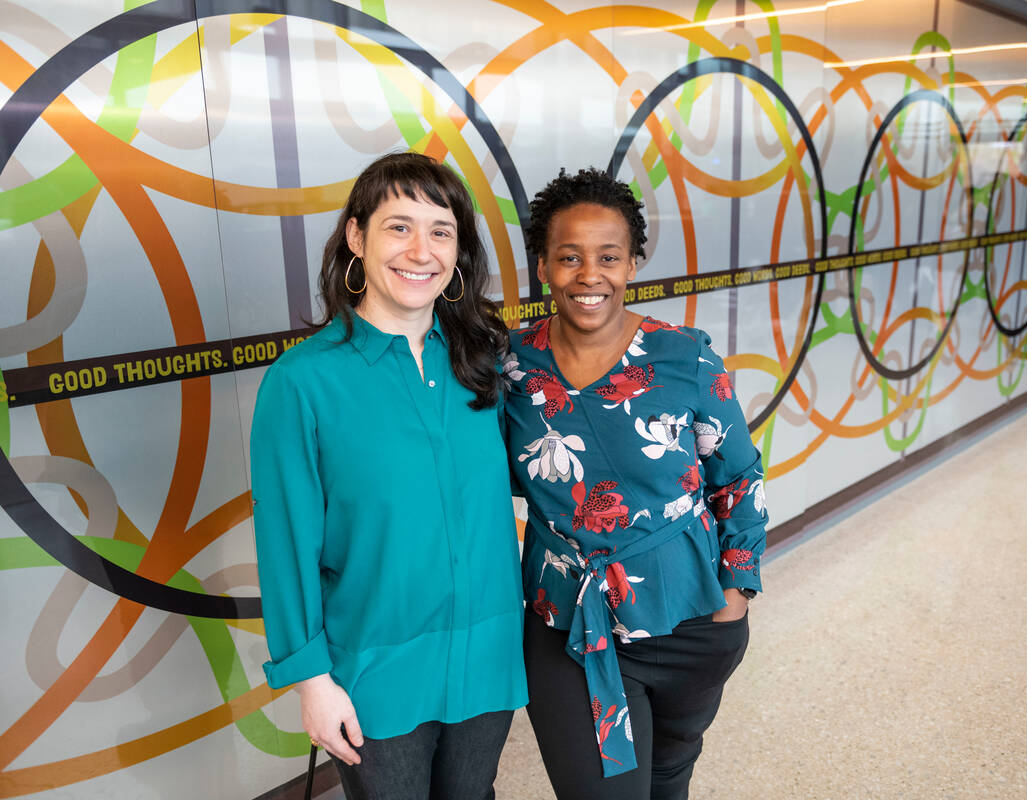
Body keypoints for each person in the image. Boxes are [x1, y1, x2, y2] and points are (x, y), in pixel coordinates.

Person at [250, 152, 526, 800]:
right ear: (356, 236)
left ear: (458, 252)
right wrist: (312, 682)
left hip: (487, 653)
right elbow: (286, 546)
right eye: (399, 226)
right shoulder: (302, 382)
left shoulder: (481, 365)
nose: (420, 251)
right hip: (374, 669)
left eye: (440, 231)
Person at [503, 167, 767, 799]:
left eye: (608, 257)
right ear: (543, 266)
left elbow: (737, 478)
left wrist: (736, 594)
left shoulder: (685, 356)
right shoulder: (509, 365)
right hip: (567, 620)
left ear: (631, 265)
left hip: (691, 615)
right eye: (569, 257)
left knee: (669, 776)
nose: (588, 275)